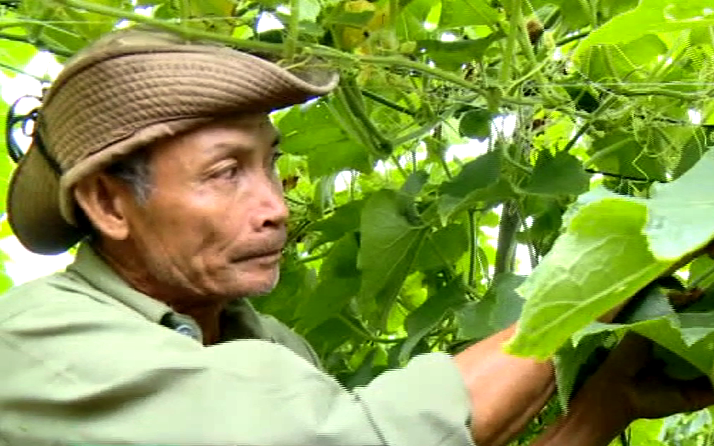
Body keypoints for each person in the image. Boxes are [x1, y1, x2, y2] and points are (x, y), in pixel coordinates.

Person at [0, 26, 711, 446]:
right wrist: (605, 277)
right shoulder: (32, 342)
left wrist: (602, 410)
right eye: (225, 173)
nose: (276, 206)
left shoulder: (269, 344)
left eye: (270, 164)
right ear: (107, 204)